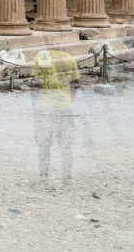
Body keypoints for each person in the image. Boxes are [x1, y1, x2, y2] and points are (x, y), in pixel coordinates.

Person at [31, 50, 80, 186]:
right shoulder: (69, 57)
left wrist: (34, 107)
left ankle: (44, 175)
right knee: (66, 143)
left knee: (44, 143)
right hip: (64, 104)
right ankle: (67, 175)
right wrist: (70, 101)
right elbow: (75, 83)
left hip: (44, 104)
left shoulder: (39, 57)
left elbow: (35, 83)